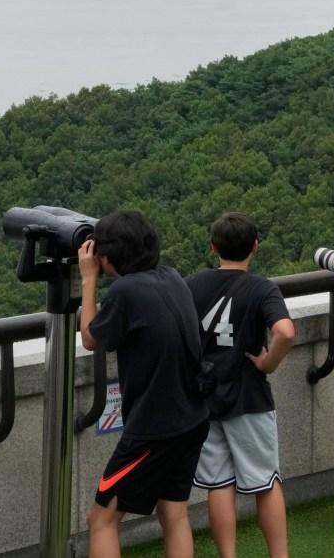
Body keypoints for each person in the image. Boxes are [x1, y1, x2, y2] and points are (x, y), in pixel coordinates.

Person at [79, 210, 210, 558]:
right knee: (174, 513)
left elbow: (91, 338)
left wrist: (88, 279)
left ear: (107, 256)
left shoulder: (124, 291)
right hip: (192, 417)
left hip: (154, 429)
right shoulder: (171, 276)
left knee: (102, 518)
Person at [188, 212, 296, 558]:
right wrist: (268, 362)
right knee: (265, 483)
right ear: (255, 247)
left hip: (205, 397)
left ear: (213, 247)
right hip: (249, 396)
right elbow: (285, 331)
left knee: (218, 484)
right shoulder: (262, 288)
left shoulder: (192, 285)